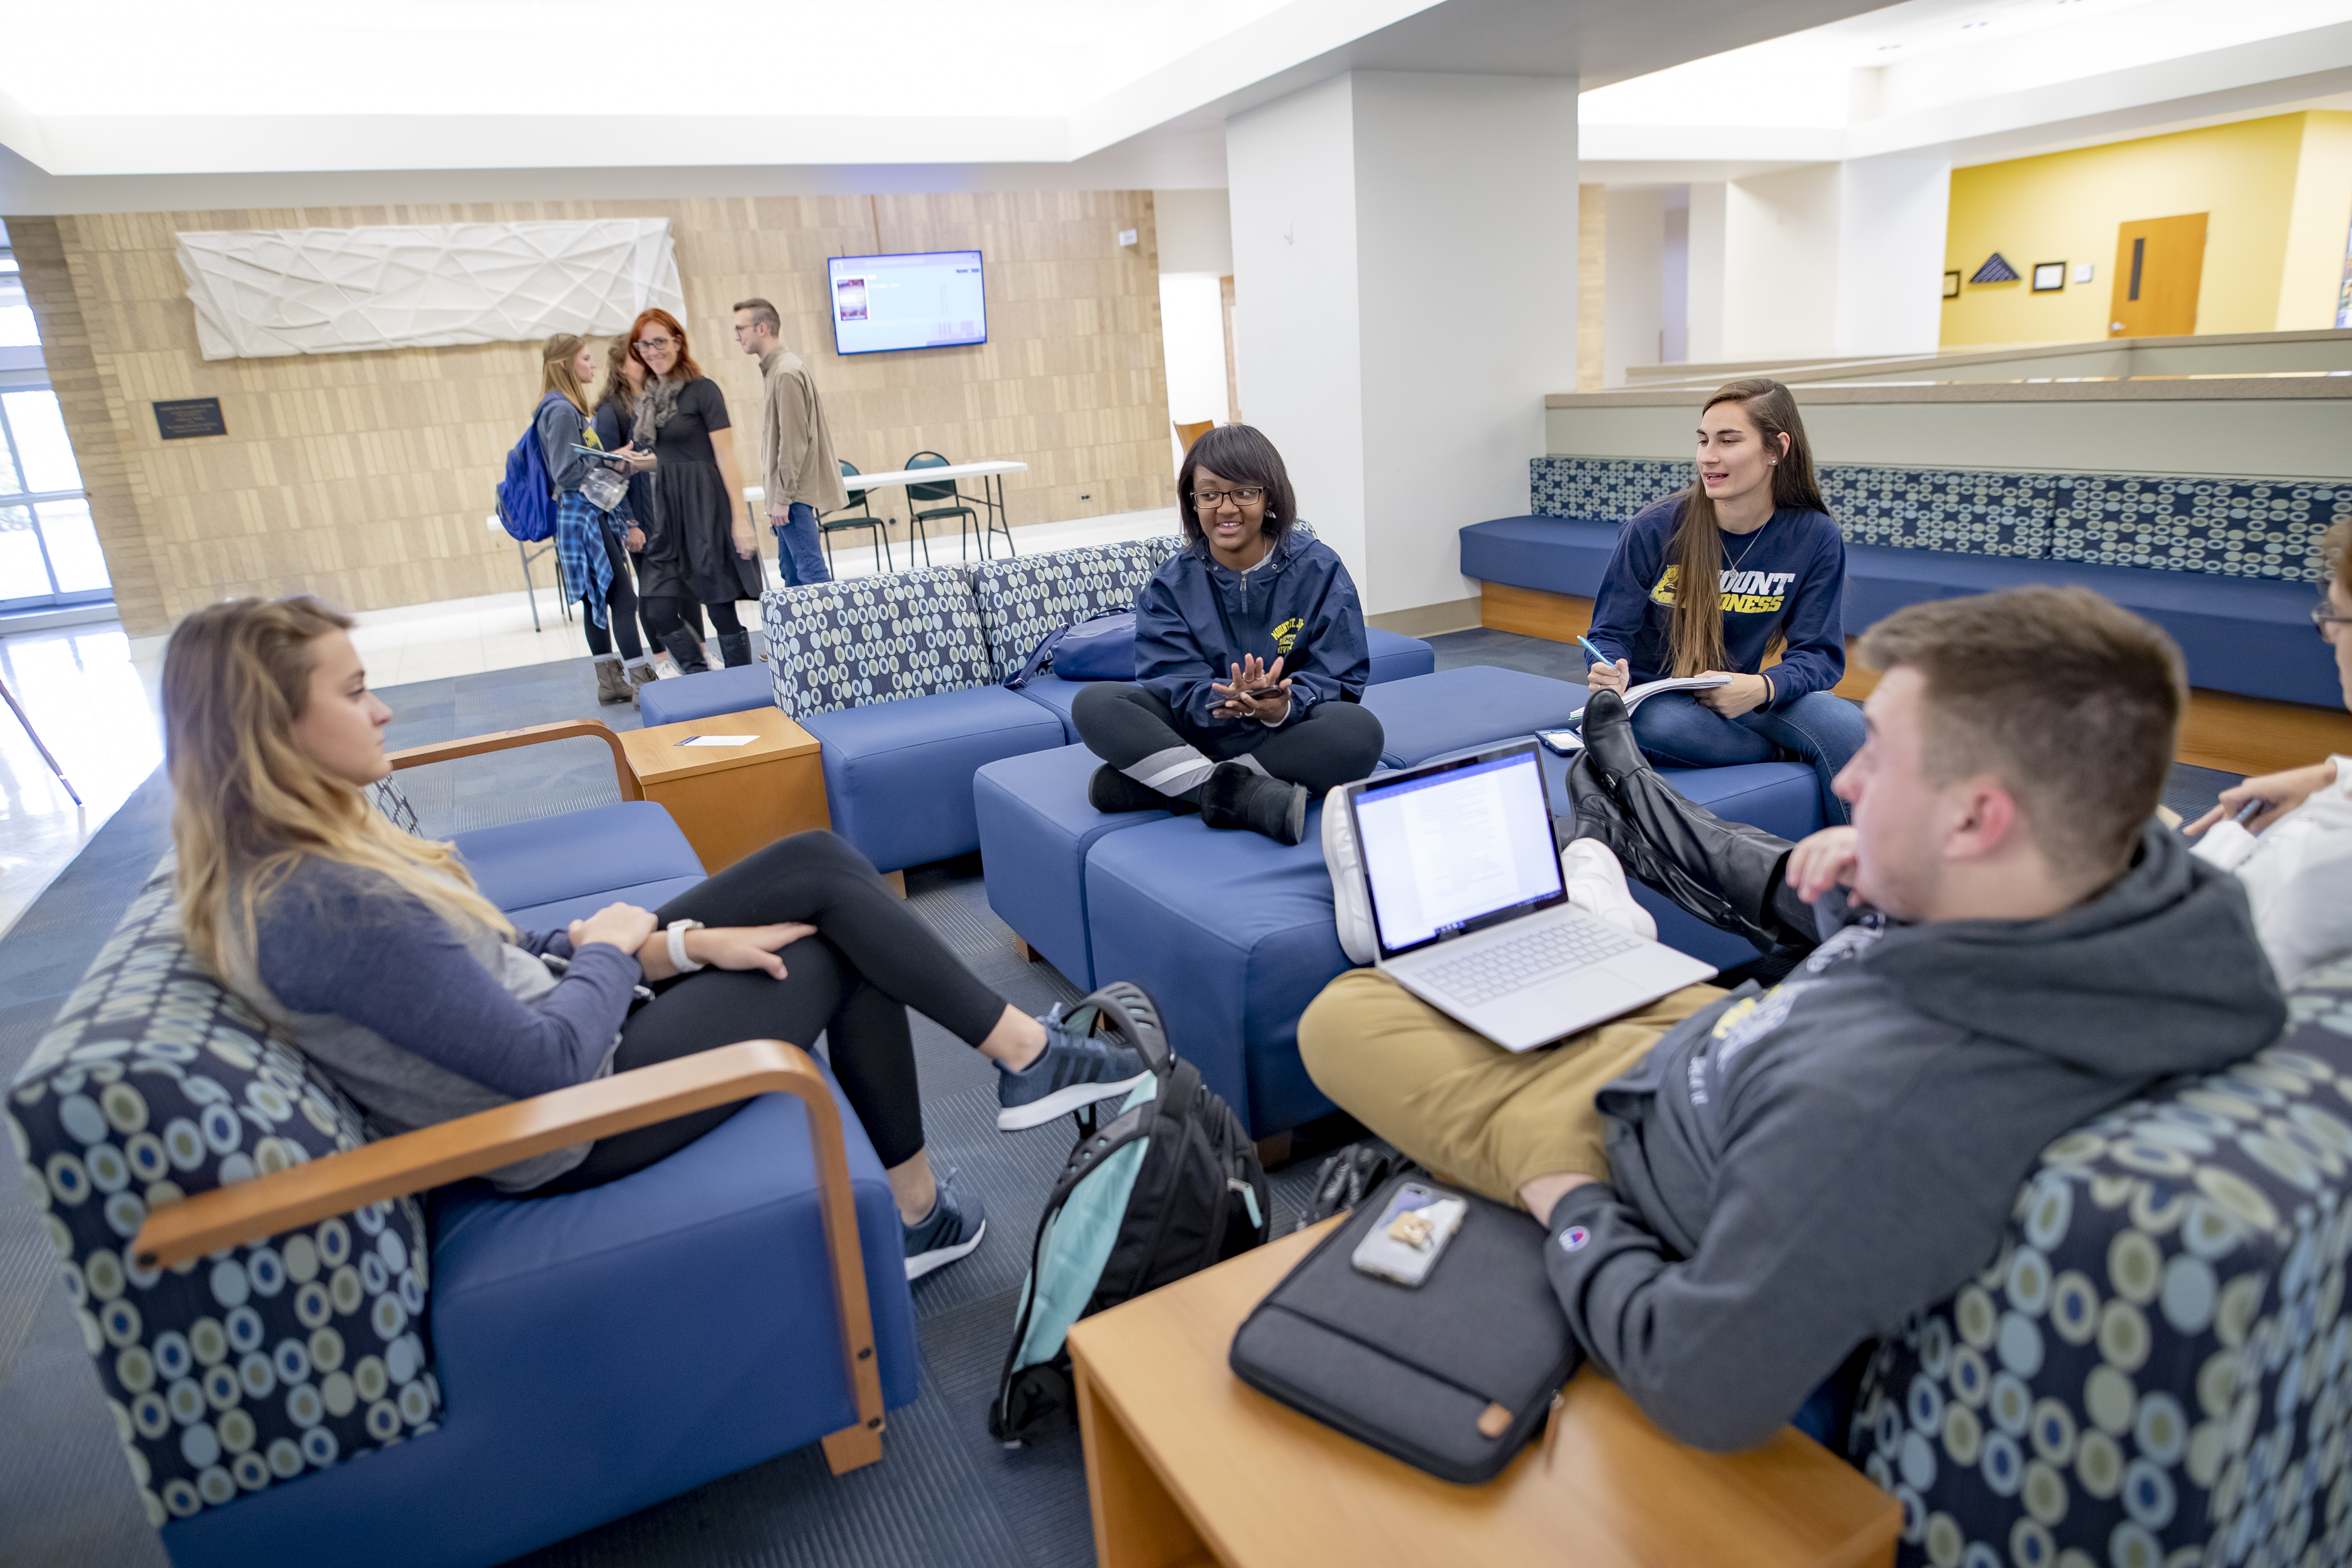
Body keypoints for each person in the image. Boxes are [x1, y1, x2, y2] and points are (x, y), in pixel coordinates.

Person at [1297, 585, 2284, 1452]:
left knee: (1346, 1016)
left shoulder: (1882, 1114)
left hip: (1621, 1148)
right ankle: (1578, 918)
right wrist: (1891, 892)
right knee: (1537, 971)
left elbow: (1700, 1383)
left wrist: (1567, 1207)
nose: (1845, 782)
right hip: (1733, 1041)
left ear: (1975, 821)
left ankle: (1568, 921)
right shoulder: (2160, 908)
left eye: (1879, 758)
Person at [162, 597, 1161, 1278]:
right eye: (351, 691)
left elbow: (501, 950)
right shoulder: (327, 905)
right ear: (268, 725)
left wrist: (666, 950)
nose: (380, 706)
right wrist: (614, 950)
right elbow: (544, 1067)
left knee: (813, 864)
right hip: (569, 1121)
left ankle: (954, 1159)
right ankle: (996, 1096)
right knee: (832, 932)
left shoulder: (295, 861)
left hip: (581, 1022)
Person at [1072, 425, 1384, 845]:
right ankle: (1237, 794)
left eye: (1243, 492)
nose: (1226, 508)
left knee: (1359, 732)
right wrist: (1226, 700)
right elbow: (1171, 681)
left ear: (1269, 496)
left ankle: (1164, 784)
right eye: (1210, 494)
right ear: (1193, 501)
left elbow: (1340, 675)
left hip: (1284, 731)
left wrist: (1280, 705)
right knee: (1097, 704)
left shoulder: (1319, 568)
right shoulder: (1171, 584)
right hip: (1200, 725)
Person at [1583, 378, 1863, 826]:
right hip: (1660, 700)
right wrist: (1606, 667)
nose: (1708, 457)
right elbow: (1609, 633)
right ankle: (1783, 753)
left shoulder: (1814, 535)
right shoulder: (1654, 528)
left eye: (1728, 441)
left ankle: (1861, 880)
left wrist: (1763, 688)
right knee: (1657, 728)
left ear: (1776, 448)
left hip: (1742, 695)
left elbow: (1820, 657)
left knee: (1848, 725)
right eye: (1703, 440)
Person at [2185, 515, 2352, 988]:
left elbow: (2199, 961)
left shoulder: (2325, 864)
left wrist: (2225, 841)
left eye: (2337, 616)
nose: (2332, 636)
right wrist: (2333, 776)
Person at [628, 309, 760, 669]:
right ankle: (700, 675)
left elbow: (724, 455)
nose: (653, 351)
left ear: (678, 341)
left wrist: (740, 520)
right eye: (644, 344)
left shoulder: (704, 391)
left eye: (660, 342)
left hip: (706, 507)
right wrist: (644, 463)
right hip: (670, 514)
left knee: (721, 610)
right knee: (656, 608)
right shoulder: (652, 398)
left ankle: (742, 685)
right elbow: (675, 454)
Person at [535, 334, 657, 704]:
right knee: (622, 595)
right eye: (586, 359)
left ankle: (611, 683)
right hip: (582, 514)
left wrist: (606, 456)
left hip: (581, 514)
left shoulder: (563, 408)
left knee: (596, 598)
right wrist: (607, 459)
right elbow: (565, 472)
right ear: (565, 365)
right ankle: (640, 681)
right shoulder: (560, 410)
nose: (593, 365)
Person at [734, 297, 846, 587]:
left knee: (811, 576)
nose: (737, 337)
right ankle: (806, 634)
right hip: (786, 497)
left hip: (792, 497)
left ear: (762, 328)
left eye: (741, 329)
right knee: (793, 576)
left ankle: (830, 633)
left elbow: (794, 443)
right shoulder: (779, 370)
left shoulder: (785, 372)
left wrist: (782, 499)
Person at [592, 337, 673, 670]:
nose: (646, 359)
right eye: (637, 356)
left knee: (678, 584)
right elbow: (611, 473)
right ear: (622, 367)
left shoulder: (658, 400)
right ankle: (662, 659)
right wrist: (630, 523)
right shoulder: (611, 411)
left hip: (669, 507)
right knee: (652, 588)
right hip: (641, 515)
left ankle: (693, 653)